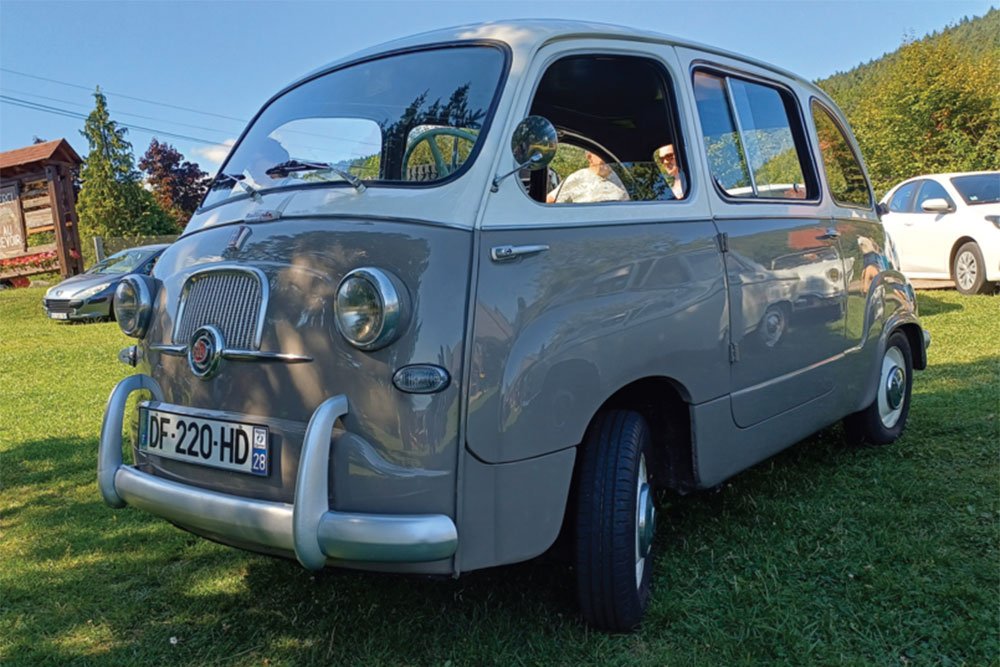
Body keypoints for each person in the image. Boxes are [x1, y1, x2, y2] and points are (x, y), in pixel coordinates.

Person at [547, 151, 629, 203]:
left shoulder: (623, 177)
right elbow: (550, 200)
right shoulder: (577, 178)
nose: (608, 158)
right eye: (603, 153)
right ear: (590, 157)